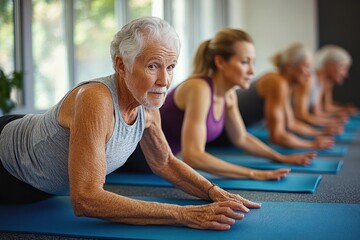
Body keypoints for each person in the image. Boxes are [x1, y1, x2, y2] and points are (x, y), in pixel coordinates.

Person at [0, 17, 261, 230]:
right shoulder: (96, 99)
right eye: (152, 66)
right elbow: (86, 199)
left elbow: (165, 162)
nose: (164, 80)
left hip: (43, 187)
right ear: (121, 65)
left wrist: (213, 191)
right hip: (7, 165)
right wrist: (186, 214)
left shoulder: (148, 106)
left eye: (170, 67)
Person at [122, 29, 316, 181]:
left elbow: (241, 138)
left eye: (252, 62)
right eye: (244, 62)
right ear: (221, 62)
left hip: (159, 164)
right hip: (136, 160)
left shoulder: (228, 95)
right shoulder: (200, 88)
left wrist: (279, 158)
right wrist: (254, 173)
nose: (252, 70)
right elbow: (193, 156)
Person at [211, 43, 335, 150]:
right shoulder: (277, 83)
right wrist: (312, 144)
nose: (309, 74)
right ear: (290, 67)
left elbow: (291, 124)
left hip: (233, 132)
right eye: (306, 67)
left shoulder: (284, 84)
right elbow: (276, 136)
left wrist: (320, 133)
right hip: (219, 134)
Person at [293, 45, 357, 127]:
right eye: (342, 67)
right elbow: (300, 116)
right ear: (329, 65)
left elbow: (317, 112)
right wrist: (330, 122)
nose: (345, 74)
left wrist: (337, 117)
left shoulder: (321, 82)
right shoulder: (309, 80)